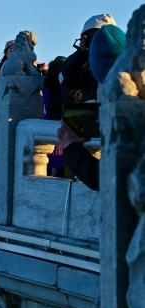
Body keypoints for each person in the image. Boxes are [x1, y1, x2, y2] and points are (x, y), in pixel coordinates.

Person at [60, 21, 125, 190]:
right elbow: (65, 78)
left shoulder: (123, 109)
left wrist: (71, 147)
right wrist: (82, 52)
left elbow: (109, 180)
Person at [61, 13, 117, 104]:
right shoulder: (84, 60)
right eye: (90, 35)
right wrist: (81, 53)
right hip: (88, 112)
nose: (96, 39)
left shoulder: (122, 58)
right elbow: (67, 75)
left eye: (97, 34)